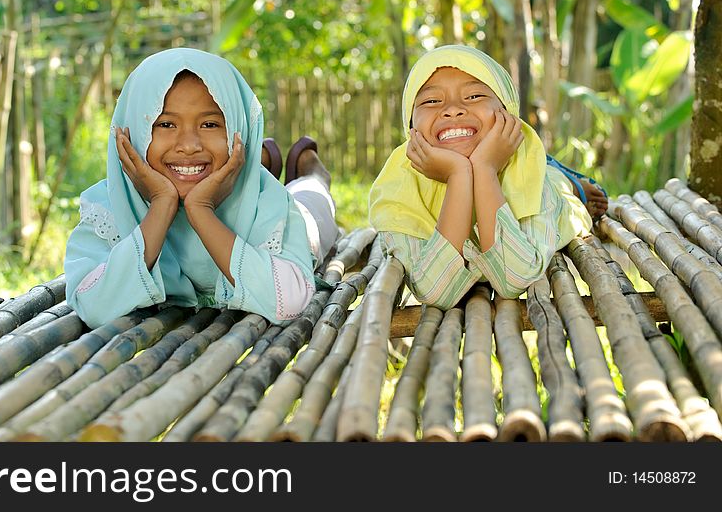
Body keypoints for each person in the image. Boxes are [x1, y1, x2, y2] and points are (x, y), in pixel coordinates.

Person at [64, 47, 337, 329]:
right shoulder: (108, 207)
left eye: (209, 124)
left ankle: (312, 174)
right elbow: (93, 306)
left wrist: (201, 210)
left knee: (314, 204)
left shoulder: (270, 205)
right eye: (166, 123)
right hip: (219, 175)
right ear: (130, 133)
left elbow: (289, 302)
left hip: (301, 216)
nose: (190, 145)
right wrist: (161, 203)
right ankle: (263, 161)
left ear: (238, 131)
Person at [368, 44, 606, 309]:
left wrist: (485, 168)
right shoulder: (397, 189)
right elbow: (436, 292)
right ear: (410, 125)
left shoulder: (528, 174)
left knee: (561, 195)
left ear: (508, 113)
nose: (453, 109)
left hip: (542, 181)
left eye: (474, 96)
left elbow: (513, 279)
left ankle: (565, 179)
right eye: (432, 101)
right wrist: (459, 174)